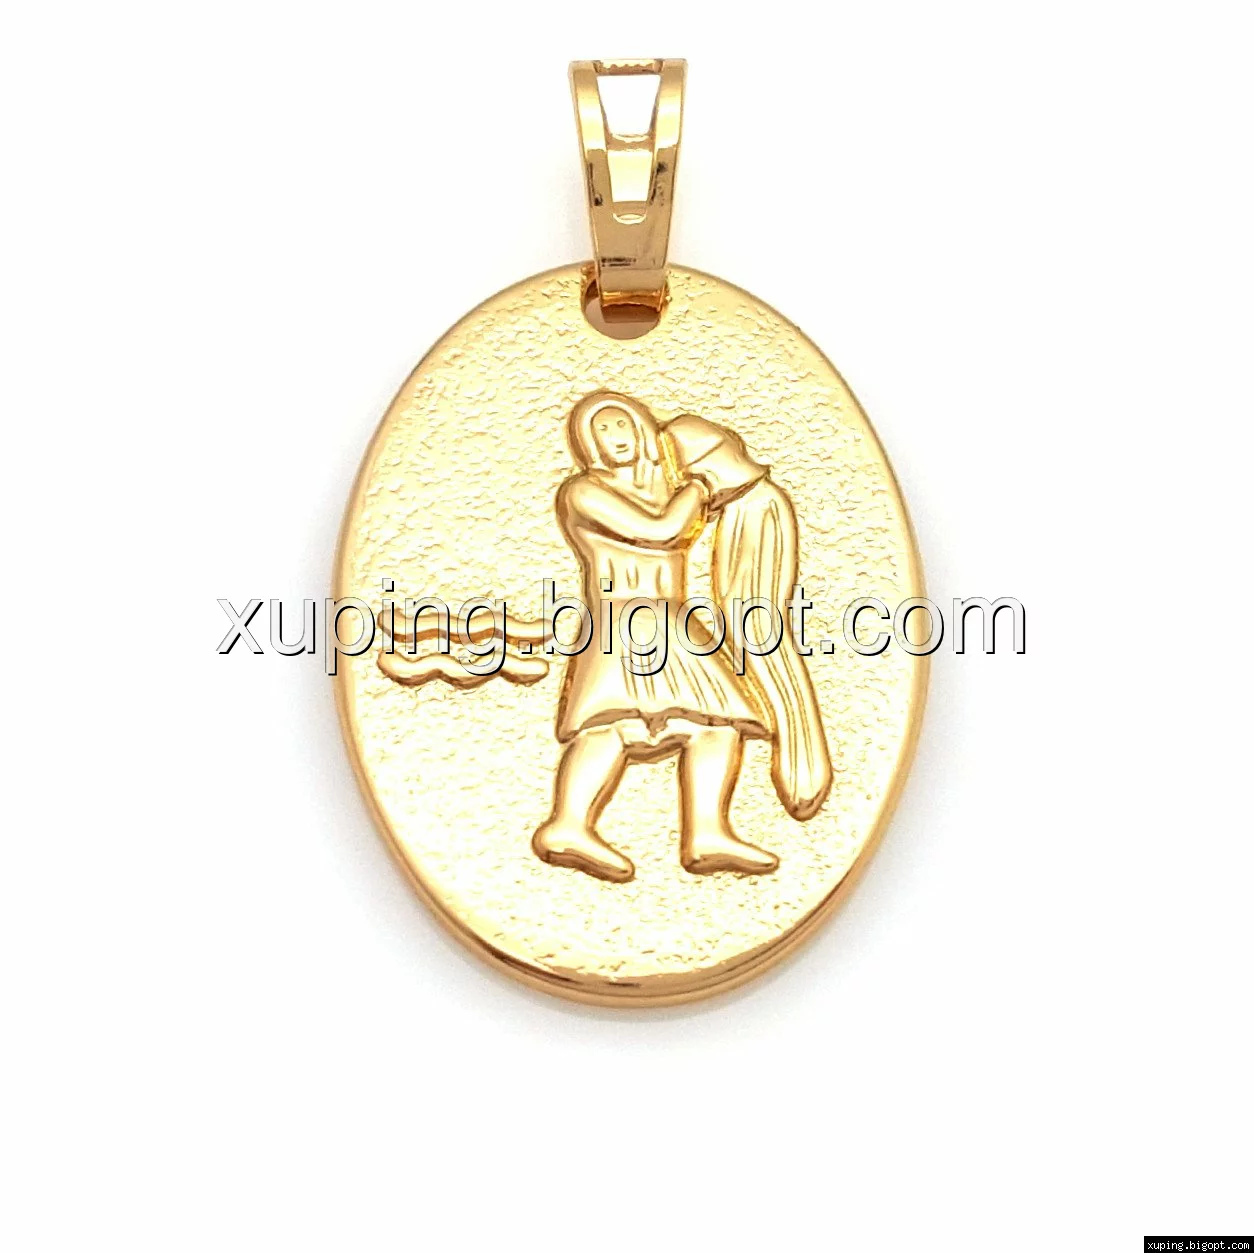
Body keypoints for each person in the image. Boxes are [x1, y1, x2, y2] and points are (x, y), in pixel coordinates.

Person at [531, 391, 779, 882]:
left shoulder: (667, 487)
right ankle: (568, 825)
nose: (615, 438)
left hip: (672, 619)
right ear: (587, 444)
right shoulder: (583, 493)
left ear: (642, 430)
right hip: (622, 619)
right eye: (601, 430)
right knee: (612, 724)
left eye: (622, 425)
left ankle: (708, 831)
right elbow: (661, 531)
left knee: (717, 723)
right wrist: (702, 484)